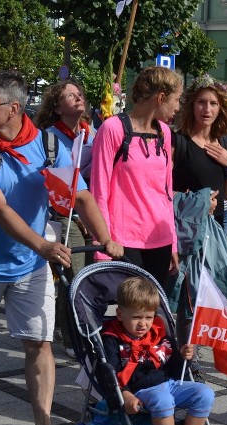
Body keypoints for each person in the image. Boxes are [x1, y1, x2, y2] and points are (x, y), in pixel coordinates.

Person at [0, 70, 123, 425]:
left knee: (39, 342)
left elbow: (81, 197)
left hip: (29, 266)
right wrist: (43, 245)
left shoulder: (48, 146)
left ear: (14, 108)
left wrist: (104, 237)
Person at [101, 277, 218, 425]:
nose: (143, 324)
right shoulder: (112, 339)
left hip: (169, 383)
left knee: (204, 393)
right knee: (162, 399)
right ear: (120, 314)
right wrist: (125, 394)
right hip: (140, 390)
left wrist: (183, 357)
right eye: (137, 317)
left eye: (148, 317)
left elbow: (174, 367)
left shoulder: (158, 333)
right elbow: (108, 374)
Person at [167, 74, 227, 349]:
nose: (206, 109)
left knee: (202, 298)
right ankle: (173, 354)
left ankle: (188, 356)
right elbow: (161, 189)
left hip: (212, 230)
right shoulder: (178, 142)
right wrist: (192, 201)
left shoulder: (225, 143)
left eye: (212, 103)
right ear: (191, 105)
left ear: (221, 108)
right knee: (180, 296)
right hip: (182, 231)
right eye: (200, 102)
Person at [91, 66, 181, 285]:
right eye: (177, 100)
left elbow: (166, 192)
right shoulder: (113, 128)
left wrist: (173, 242)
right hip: (123, 242)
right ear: (161, 98)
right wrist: (103, 242)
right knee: (127, 312)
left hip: (159, 239)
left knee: (150, 312)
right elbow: (99, 190)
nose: (178, 107)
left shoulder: (165, 133)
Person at [34, 80, 98, 358]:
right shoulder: (49, 136)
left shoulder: (90, 133)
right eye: (70, 95)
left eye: (79, 94)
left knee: (78, 274)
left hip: (86, 209)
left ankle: (63, 325)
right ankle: (74, 339)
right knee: (75, 274)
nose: (78, 98)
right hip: (62, 213)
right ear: (57, 107)